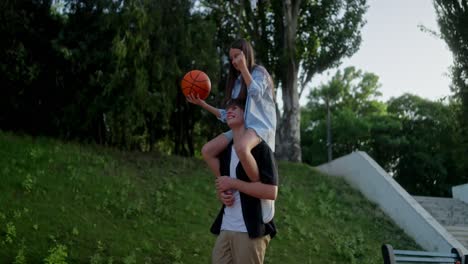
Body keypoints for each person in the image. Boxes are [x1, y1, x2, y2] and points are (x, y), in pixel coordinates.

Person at [186, 38, 276, 182]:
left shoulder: (260, 72)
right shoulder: (236, 83)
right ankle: (226, 184)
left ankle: (258, 185)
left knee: (241, 147)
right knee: (207, 151)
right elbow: (227, 115)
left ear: (246, 54)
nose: (234, 61)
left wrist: (244, 68)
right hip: (241, 128)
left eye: (237, 56)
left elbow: (255, 94)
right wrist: (203, 104)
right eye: (231, 58)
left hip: (259, 127)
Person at [210, 98, 278, 264]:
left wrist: (234, 183)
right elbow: (224, 183)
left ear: (247, 115)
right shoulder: (225, 151)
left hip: (250, 230)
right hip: (226, 227)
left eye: (235, 108)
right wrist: (222, 192)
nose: (230, 111)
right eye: (228, 109)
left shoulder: (261, 148)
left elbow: (271, 192)